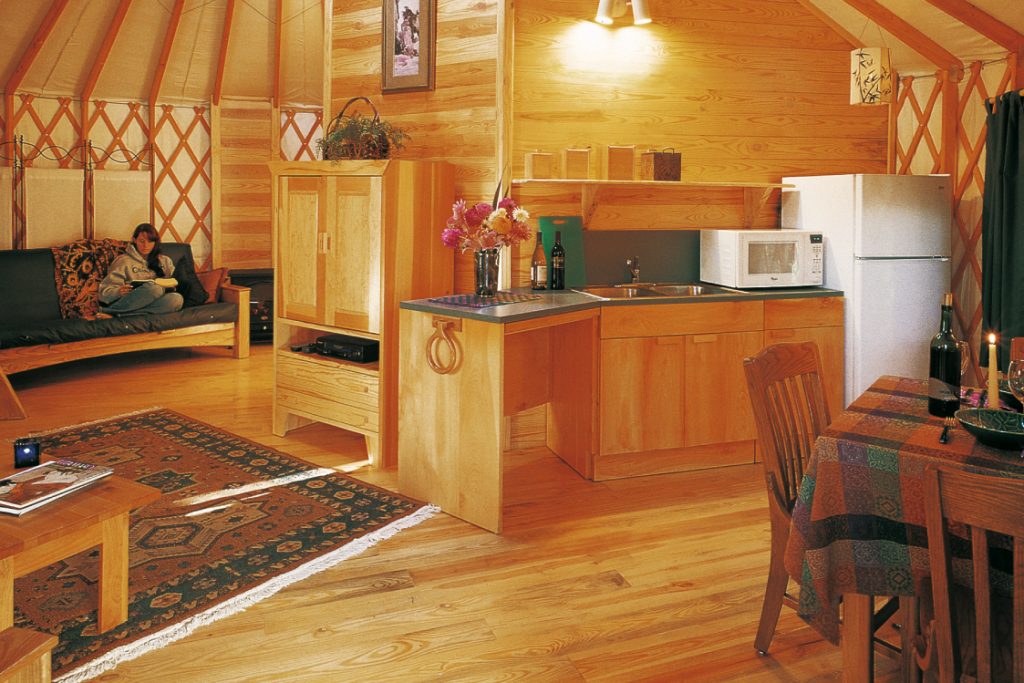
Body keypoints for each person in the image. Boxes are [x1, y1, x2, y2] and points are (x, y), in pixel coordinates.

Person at [96, 223, 183, 318]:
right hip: (130, 300)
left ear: (155, 242)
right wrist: (118, 291)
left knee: (177, 299)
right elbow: (104, 292)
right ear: (134, 240)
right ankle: (110, 310)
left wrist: (173, 285)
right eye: (142, 241)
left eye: (150, 241)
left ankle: (117, 315)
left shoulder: (165, 261)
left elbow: (175, 281)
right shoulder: (123, 261)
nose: (146, 245)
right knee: (155, 288)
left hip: (154, 301)